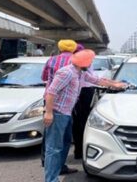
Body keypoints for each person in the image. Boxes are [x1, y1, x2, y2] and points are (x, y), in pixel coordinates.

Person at [43, 49, 126, 182]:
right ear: (84, 62)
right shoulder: (66, 73)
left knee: (65, 144)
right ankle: (51, 179)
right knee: (54, 148)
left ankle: (61, 168)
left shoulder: (80, 73)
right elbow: (51, 92)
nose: (91, 63)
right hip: (57, 113)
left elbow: (97, 80)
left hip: (67, 113)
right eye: (90, 61)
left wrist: (115, 84)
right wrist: (48, 113)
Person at [40, 39, 77, 173]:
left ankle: (50, 164)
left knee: (50, 138)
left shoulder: (51, 60)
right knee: (63, 140)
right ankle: (55, 169)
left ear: (60, 48)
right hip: (64, 104)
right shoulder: (75, 62)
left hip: (50, 102)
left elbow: (43, 77)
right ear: (74, 49)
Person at [71, 44, 97, 159]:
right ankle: (82, 150)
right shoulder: (83, 63)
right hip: (84, 92)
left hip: (77, 93)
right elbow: (92, 78)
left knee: (77, 123)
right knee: (84, 122)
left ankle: (79, 151)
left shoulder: (72, 62)